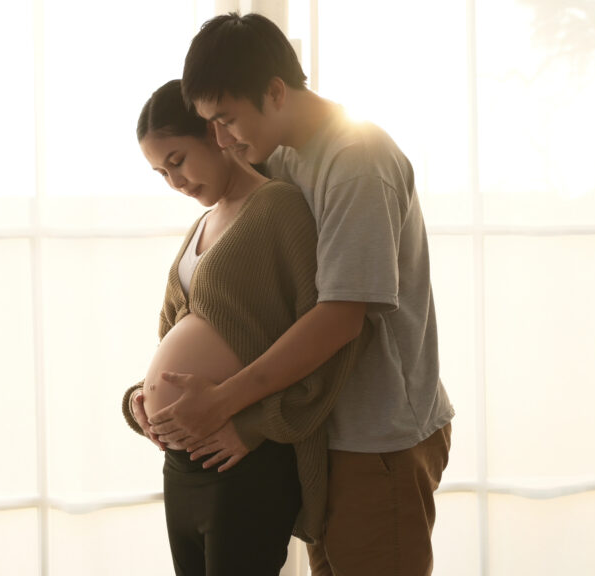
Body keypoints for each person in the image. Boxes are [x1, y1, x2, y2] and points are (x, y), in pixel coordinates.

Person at [143, 12, 456, 576]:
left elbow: (339, 317)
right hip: (323, 435)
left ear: (275, 91)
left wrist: (230, 406)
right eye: (210, 124)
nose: (221, 139)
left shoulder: (356, 160)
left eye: (226, 119)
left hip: (377, 434)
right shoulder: (282, 155)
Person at [123, 79, 367, 576]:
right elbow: (175, 335)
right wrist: (140, 400)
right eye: (159, 172)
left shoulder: (279, 207)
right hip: (182, 465)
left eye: (177, 160)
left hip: (241, 460)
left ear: (216, 134)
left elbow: (328, 337)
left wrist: (255, 426)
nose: (175, 181)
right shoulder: (203, 224)